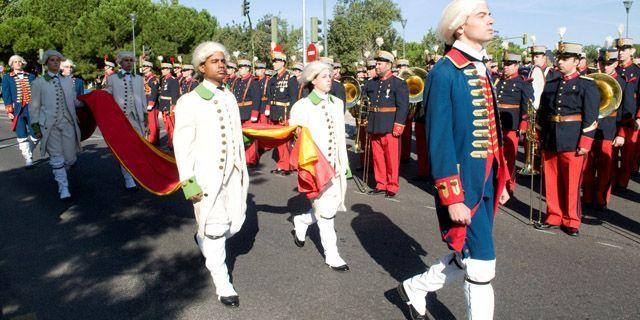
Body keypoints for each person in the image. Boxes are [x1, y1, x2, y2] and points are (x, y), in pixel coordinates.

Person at [397, 1, 511, 319]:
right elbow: (440, 141)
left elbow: (491, 131)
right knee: (482, 265)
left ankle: (415, 287)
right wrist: (452, 196)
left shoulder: (480, 67)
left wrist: (501, 179)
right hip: (463, 186)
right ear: (460, 26)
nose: (491, 20)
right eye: (482, 14)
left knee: (468, 255)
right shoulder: (445, 72)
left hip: (486, 178)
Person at [173, 41, 249, 308]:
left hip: (232, 176)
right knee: (216, 229)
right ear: (201, 66)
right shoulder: (189, 101)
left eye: (223, 61)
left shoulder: (228, 97)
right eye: (215, 61)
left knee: (232, 224)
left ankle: (203, 237)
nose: (221, 65)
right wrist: (189, 184)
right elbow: (182, 147)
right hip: (205, 178)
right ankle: (223, 283)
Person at [534, 41, 600, 236]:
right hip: (551, 137)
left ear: (577, 61)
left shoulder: (587, 85)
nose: (560, 62)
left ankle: (571, 219)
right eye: (559, 58)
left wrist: (586, 143)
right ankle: (553, 215)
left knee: (572, 183)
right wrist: (539, 135)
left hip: (573, 139)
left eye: (565, 59)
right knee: (551, 181)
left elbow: (591, 117)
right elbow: (543, 112)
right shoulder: (552, 83)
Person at [289, 61, 350, 271]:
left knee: (330, 206)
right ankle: (332, 254)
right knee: (326, 212)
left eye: (330, 75)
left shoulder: (337, 103)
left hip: (335, 165)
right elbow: (296, 142)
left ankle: (302, 221)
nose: (329, 79)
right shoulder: (302, 107)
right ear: (313, 80)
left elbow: (341, 136)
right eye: (324, 76)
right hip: (316, 167)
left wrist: (345, 163)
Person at [29, 50, 83, 200]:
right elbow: (33, 107)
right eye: (52, 60)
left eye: (58, 60)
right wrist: (36, 127)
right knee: (57, 157)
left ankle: (62, 173)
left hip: (68, 123)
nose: (55, 62)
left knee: (71, 158)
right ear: (46, 63)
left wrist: (92, 101)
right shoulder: (38, 83)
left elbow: (75, 101)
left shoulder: (67, 81)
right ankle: (63, 188)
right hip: (49, 125)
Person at [583, 48, 626, 210]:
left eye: (608, 63)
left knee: (605, 167)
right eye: (602, 63)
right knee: (588, 164)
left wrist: (621, 132)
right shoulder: (590, 80)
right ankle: (587, 196)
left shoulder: (622, 82)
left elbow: (625, 109)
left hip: (609, 128)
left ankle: (601, 198)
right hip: (591, 127)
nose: (604, 66)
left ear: (615, 63)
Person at [363, 50, 409, 198]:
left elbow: (403, 106)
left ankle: (392, 185)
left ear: (388, 65)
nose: (376, 66)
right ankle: (380, 183)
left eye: (379, 63)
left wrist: (399, 124)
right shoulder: (372, 83)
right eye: (376, 63)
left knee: (391, 158)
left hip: (389, 125)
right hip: (375, 123)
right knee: (377, 157)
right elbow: (365, 99)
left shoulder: (398, 83)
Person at [104, 51, 147, 190]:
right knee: (124, 148)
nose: (129, 63)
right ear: (120, 63)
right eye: (126, 60)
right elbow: (107, 96)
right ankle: (128, 177)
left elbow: (142, 98)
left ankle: (134, 171)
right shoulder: (112, 79)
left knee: (138, 146)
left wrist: (145, 116)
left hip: (136, 117)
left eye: (131, 60)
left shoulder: (139, 79)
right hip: (121, 118)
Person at [495, 52, 534, 194]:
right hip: (497, 124)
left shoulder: (523, 83)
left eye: (509, 64)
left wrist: (523, 125)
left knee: (510, 159)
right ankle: (497, 185)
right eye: (504, 64)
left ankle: (508, 186)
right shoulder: (498, 81)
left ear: (517, 65)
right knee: (496, 156)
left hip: (512, 126)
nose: (505, 67)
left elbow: (527, 106)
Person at [613, 36, 640, 192]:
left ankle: (622, 182)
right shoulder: (614, 69)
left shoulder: (637, 71)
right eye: (619, 49)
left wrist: (639, 117)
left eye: (624, 50)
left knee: (628, 153)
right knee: (611, 152)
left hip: (630, 117)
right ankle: (612, 178)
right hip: (614, 116)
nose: (621, 53)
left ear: (631, 51)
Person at [266, 52, 299, 175]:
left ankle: (287, 166)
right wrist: (269, 108)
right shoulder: (273, 78)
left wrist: (291, 116)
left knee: (285, 141)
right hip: (275, 112)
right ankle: (281, 164)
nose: (274, 63)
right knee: (278, 141)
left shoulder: (290, 77)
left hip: (284, 112)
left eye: (276, 61)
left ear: (283, 62)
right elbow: (270, 95)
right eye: (273, 61)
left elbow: (294, 98)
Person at [2, 55, 38, 168]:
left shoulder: (31, 76)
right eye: (15, 62)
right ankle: (28, 158)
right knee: (21, 134)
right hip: (18, 110)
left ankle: (29, 152)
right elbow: (6, 95)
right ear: (11, 64)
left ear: (23, 63)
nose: (17, 63)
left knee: (36, 133)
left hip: (32, 109)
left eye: (19, 61)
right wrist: (9, 110)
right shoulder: (7, 77)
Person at [231, 59, 261, 166]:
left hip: (248, 111)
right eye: (239, 67)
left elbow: (257, 98)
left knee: (250, 137)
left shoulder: (253, 81)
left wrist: (254, 113)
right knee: (240, 136)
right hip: (239, 111)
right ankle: (243, 157)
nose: (240, 69)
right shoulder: (238, 81)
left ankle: (251, 159)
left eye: (242, 67)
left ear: (248, 68)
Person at [158, 62, 180, 149]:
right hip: (164, 105)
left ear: (168, 70)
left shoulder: (173, 80)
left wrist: (173, 106)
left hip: (169, 105)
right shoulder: (164, 79)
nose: (162, 71)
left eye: (164, 69)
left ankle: (172, 144)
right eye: (162, 69)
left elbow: (175, 95)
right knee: (167, 125)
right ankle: (170, 142)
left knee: (171, 126)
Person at [142, 61, 160, 144]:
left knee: (153, 124)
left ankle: (154, 140)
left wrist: (151, 104)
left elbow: (154, 92)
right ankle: (150, 138)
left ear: (149, 68)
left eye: (145, 66)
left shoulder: (153, 78)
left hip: (151, 104)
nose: (143, 68)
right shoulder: (145, 78)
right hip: (145, 102)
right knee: (147, 123)